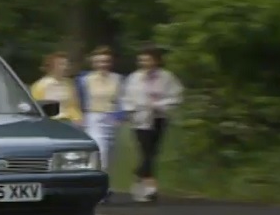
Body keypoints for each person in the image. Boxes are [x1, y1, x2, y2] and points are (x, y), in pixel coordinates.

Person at [121, 44, 183, 202]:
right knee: (146, 151)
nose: (144, 63)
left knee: (152, 152)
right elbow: (126, 98)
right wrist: (130, 111)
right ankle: (150, 187)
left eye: (147, 60)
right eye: (141, 60)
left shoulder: (167, 77)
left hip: (159, 118)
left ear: (156, 61)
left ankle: (139, 176)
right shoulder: (134, 78)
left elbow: (176, 96)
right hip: (140, 119)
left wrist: (159, 105)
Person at [76, 46, 124, 202]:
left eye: (106, 61)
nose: (103, 64)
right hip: (93, 116)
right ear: (93, 62)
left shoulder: (118, 79)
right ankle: (98, 188)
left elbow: (123, 100)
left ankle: (102, 185)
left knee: (110, 154)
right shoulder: (84, 79)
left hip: (111, 118)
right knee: (100, 151)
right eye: (99, 61)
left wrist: (119, 116)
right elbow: (78, 99)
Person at [30, 52, 82, 124]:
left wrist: (78, 117)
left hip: (70, 121)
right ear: (52, 66)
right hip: (52, 123)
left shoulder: (69, 84)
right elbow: (37, 108)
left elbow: (74, 105)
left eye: (67, 64)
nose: (65, 67)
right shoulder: (40, 85)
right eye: (61, 64)